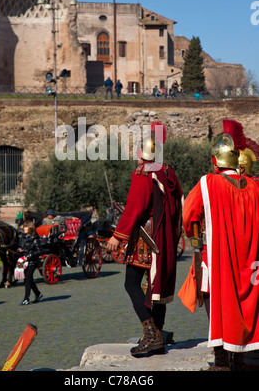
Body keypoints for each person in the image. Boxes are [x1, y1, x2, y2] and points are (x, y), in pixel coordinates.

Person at [183, 119, 259, 371]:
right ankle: (239, 357)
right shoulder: (255, 188)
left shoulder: (209, 183)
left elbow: (188, 214)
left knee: (214, 298)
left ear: (216, 161)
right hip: (250, 262)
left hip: (220, 258)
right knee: (246, 305)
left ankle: (222, 360)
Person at [106, 122, 183, 358]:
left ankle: (151, 335)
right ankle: (157, 336)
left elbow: (134, 209)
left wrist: (117, 236)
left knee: (131, 284)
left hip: (145, 238)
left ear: (142, 154)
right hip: (164, 237)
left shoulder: (143, 174)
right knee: (156, 289)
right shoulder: (169, 172)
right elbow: (180, 204)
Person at [17, 222, 43, 305]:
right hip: (23, 260)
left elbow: (39, 251)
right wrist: (19, 249)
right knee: (29, 279)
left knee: (27, 279)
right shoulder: (22, 237)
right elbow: (19, 246)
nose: (24, 229)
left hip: (32, 261)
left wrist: (28, 256)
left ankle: (26, 299)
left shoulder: (35, 237)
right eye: (24, 227)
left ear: (30, 228)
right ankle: (38, 294)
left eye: (26, 228)